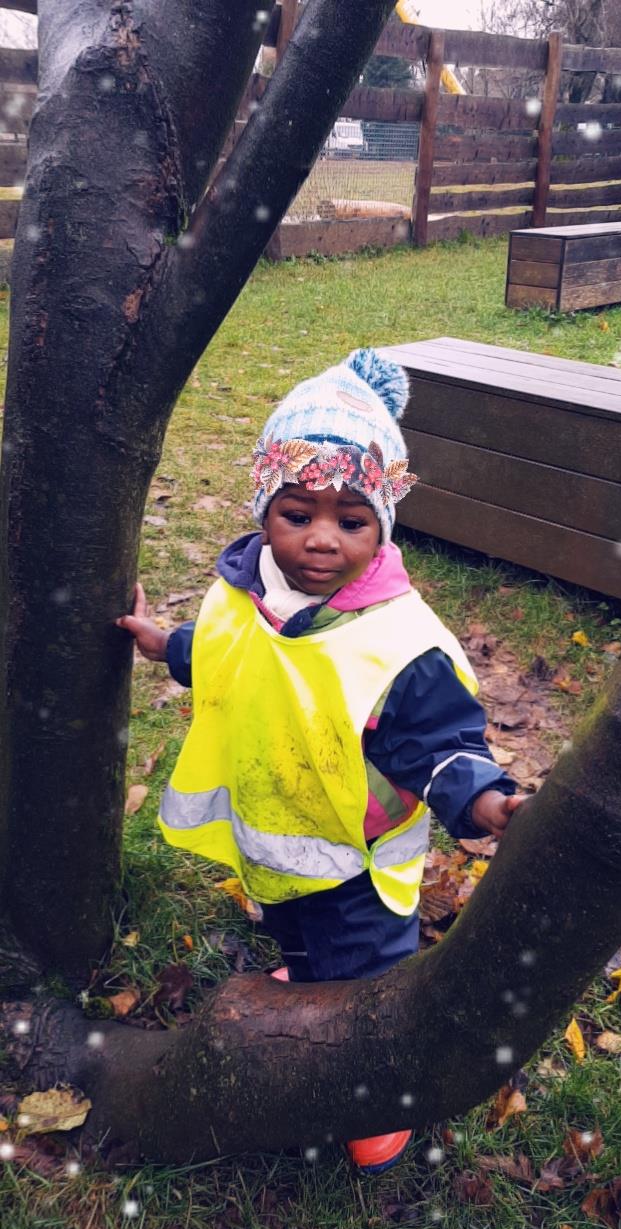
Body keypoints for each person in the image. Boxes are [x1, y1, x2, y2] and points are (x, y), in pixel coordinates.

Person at [117, 348, 524, 1174]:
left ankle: (377, 1099)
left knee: (368, 983)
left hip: (356, 859)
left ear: (384, 525)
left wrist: (486, 802)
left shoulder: (397, 643)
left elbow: (441, 743)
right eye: (297, 513)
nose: (321, 539)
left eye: (352, 521)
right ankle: (305, 988)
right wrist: (166, 644)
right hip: (278, 840)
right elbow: (228, 653)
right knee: (299, 939)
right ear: (265, 508)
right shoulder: (248, 594)